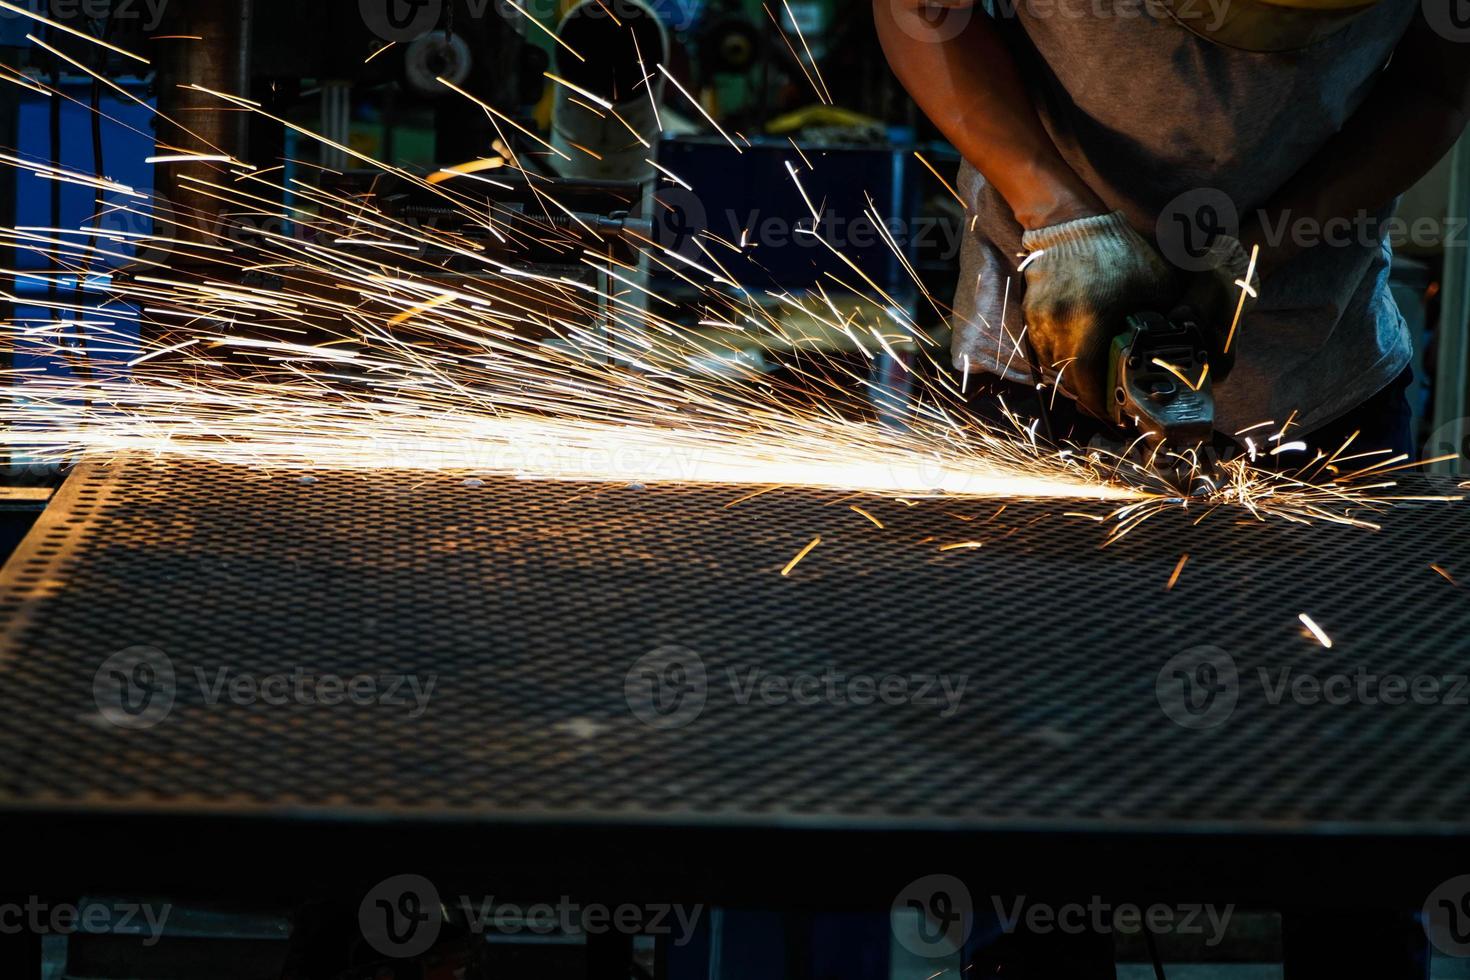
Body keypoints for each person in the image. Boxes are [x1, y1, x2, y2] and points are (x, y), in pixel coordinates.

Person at [874, 0, 1470, 462]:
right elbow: (923, 13)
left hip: (1321, 380)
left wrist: (1260, 251)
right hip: (1036, 364)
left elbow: (1436, 88)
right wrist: (1057, 215)